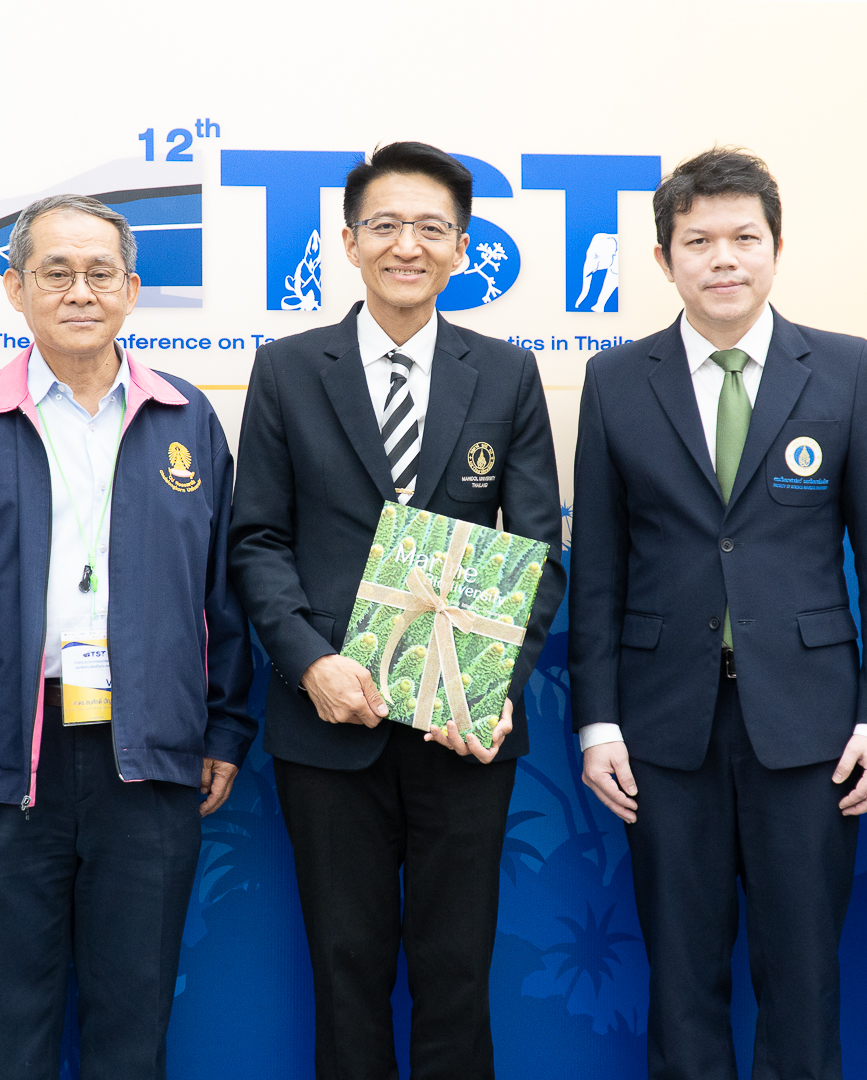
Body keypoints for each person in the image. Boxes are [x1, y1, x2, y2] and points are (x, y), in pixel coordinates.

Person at [568, 147, 867, 1079]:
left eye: (744, 238)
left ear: (776, 248)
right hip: (661, 728)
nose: (723, 258)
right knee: (681, 975)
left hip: (812, 726)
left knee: (803, 975)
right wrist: (598, 723)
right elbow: (597, 569)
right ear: (664, 259)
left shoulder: (844, 368)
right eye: (699, 241)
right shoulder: (616, 379)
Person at [228, 141, 565, 1079]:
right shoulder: (289, 368)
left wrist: (492, 686)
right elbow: (257, 538)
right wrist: (310, 662)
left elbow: (540, 550)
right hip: (329, 721)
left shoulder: (506, 373)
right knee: (346, 971)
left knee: (457, 972)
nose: (406, 246)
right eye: (384, 225)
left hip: (464, 731)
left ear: (461, 247)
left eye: (430, 228)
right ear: (349, 241)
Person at [0, 193, 254, 1080]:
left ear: (132, 290)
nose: (80, 291)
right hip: (7, 755)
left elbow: (222, 595)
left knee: (133, 1019)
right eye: (55, 272)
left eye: (101, 273)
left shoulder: (186, 419)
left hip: (152, 751)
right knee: (5, 1024)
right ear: (15, 289)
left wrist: (224, 729)